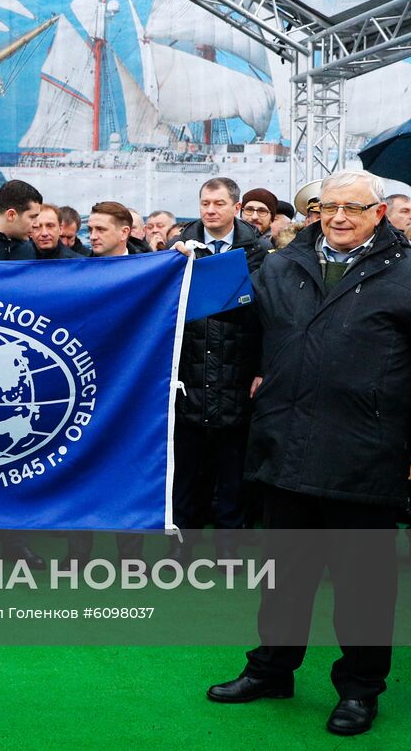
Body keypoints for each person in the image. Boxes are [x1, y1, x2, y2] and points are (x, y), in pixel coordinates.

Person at [207, 169, 411, 738]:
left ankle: (360, 689)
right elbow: (244, 333)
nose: (339, 216)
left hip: (364, 455)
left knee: (363, 587)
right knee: (283, 578)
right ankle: (272, 669)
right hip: (286, 445)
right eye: (329, 206)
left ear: (379, 213)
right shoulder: (279, 266)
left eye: (353, 207)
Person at [167, 179, 266, 561]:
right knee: (185, 473)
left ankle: (229, 548)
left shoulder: (258, 251)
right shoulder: (177, 248)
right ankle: (181, 547)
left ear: (236, 207)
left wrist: (261, 368)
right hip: (187, 376)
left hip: (236, 375)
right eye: (205, 203)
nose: (210, 210)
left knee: (232, 472)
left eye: (219, 203)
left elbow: (267, 315)